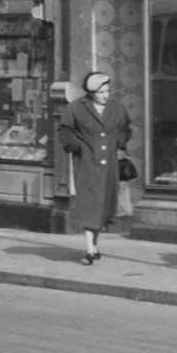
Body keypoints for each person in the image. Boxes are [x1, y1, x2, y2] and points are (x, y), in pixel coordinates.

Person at [57, 71, 132, 265]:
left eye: (107, 91)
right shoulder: (75, 109)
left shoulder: (118, 108)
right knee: (90, 204)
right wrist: (78, 147)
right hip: (87, 164)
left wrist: (120, 143)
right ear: (91, 94)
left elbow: (126, 129)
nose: (105, 95)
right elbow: (64, 130)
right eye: (101, 92)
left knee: (103, 206)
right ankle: (90, 250)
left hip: (110, 166)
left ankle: (95, 245)